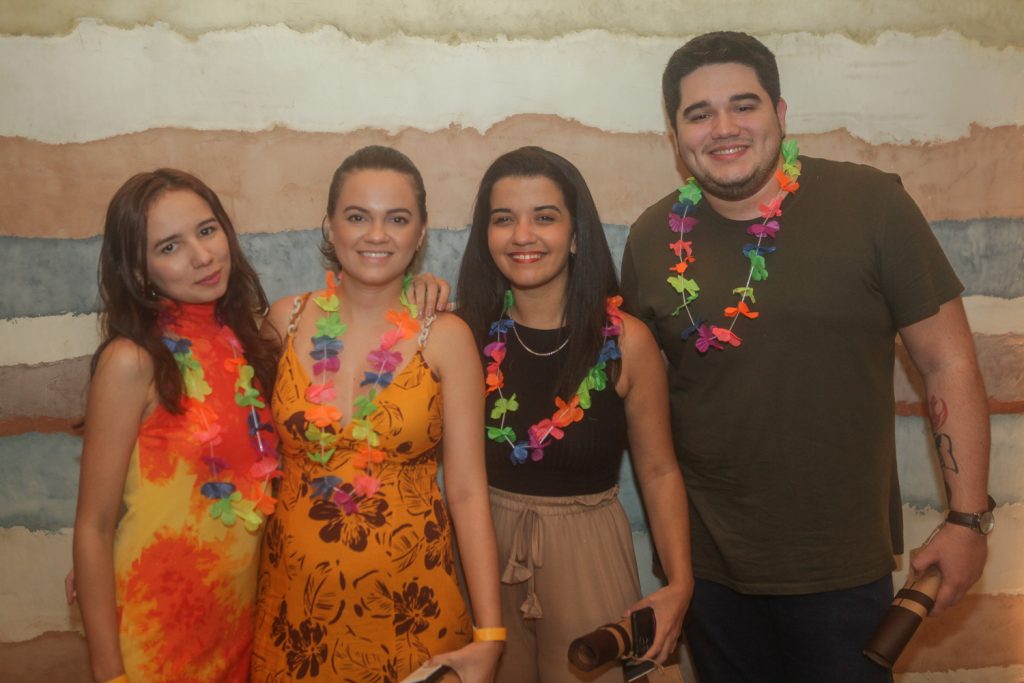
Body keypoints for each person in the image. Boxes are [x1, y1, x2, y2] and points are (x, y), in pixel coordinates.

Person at [620, 31, 992, 682]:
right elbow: (640, 397)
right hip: (708, 572)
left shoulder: (872, 205)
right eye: (699, 114)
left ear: (781, 114)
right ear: (674, 135)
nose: (724, 128)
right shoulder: (652, 236)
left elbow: (948, 363)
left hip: (841, 566)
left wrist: (966, 519)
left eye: (744, 105)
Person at [250, 145, 503, 683]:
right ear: (330, 225)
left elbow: (466, 491)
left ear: (421, 232)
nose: (377, 235)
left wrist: (490, 635)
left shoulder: (447, 337)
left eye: (398, 219)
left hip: (414, 609)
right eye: (358, 216)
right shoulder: (283, 321)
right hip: (294, 615)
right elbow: (243, 456)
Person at [456, 146, 693, 683]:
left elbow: (659, 471)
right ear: (485, 236)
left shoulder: (626, 341)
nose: (523, 235)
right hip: (483, 552)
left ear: (576, 234)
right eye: (503, 219)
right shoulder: (463, 335)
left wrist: (680, 583)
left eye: (544, 217)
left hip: (589, 551)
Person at [72, 169, 280, 682]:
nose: (202, 255)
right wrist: (110, 675)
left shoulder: (248, 343)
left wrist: (420, 289)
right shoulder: (132, 361)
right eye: (170, 246)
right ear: (138, 270)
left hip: (236, 631)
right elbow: (94, 526)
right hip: (156, 637)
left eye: (207, 231)